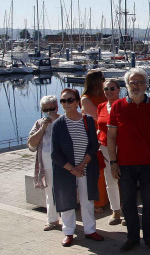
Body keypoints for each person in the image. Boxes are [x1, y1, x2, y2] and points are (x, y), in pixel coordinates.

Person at [108, 68, 150, 252]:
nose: (136, 86)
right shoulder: (117, 106)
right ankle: (132, 236)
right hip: (125, 164)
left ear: (146, 85)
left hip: (149, 163)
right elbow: (111, 137)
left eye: (140, 82)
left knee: (149, 202)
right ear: (127, 85)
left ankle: (149, 236)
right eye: (132, 82)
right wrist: (113, 162)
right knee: (128, 202)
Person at [51, 88, 104, 246]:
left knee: (87, 200)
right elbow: (55, 154)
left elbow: (94, 146)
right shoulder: (58, 125)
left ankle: (90, 230)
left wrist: (81, 165)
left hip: (86, 168)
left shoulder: (87, 120)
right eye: (63, 101)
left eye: (70, 100)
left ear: (77, 102)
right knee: (66, 200)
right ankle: (68, 232)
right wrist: (73, 169)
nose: (66, 104)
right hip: (65, 170)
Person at [27, 95, 62, 231]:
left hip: (63, 164)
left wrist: (55, 121)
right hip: (45, 164)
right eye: (45, 110)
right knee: (49, 192)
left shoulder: (63, 120)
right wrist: (42, 129)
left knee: (63, 192)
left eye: (51, 109)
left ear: (57, 108)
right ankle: (52, 220)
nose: (49, 112)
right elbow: (31, 144)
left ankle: (67, 222)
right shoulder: (38, 123)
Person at [80, 70, 108, 212]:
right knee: (99, 171)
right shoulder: (85, 98)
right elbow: (98, 116)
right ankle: (99, 202)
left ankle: (112, 200)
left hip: (108, 134)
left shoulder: (105, 94)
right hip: (94, 137)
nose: (104, 81)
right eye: (102, 79)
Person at [95, 79, 123, 225]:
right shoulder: (101, 107)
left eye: (112, 88)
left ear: (118, 90)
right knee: (110, 180)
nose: (109, 91)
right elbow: (99, 127)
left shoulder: (125, 105)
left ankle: (127, 209)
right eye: (106, 89)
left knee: (125, 180)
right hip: (105, 148)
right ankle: (115, 211)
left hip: (123, 147)